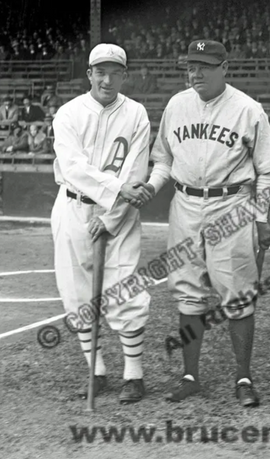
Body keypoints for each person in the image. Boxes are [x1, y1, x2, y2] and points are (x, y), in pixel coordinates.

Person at [141, 40, 270, 407]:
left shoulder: (248, 109)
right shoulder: (176, 104)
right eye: (190, 66)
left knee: (238, 292)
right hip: (185, 203)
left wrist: (262, 217)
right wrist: (152, 186)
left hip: (232, 204)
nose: (195, 73)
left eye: (204, 65)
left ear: (225, 67)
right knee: (187, 289)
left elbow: (268, 171)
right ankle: (190, 377)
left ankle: (244, 377)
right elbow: (163, 160)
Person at [50, 43, 154, 404]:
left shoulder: (137, 113)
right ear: (90, 73)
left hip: (120, 212)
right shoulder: (68, 113)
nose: (107, 79)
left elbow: (136, 171)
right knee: (77, 293)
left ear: (125, 74)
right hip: (73, 207)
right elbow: (73, 167)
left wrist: (111, 216)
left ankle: (133, 375)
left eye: (115, 72)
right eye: (100, 71)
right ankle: (96, 371)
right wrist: (115, 193)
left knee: (125, 289)